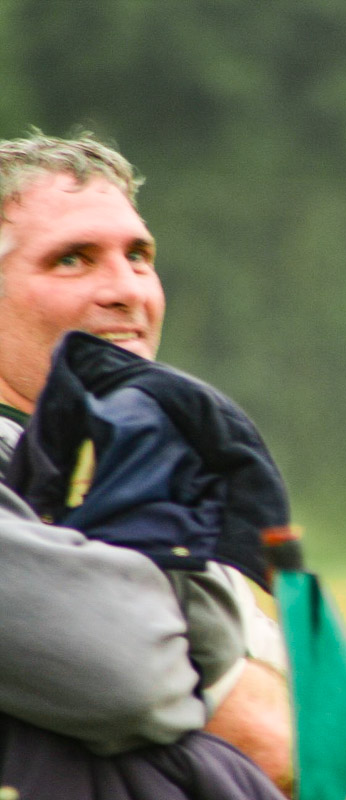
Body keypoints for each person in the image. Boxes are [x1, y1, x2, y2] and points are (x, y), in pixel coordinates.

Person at [0, 131, 291, 796]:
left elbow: (320, 737)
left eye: (139, 255)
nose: (126, 290)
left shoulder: (135, 460)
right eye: (72, 260)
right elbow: (128, 678)